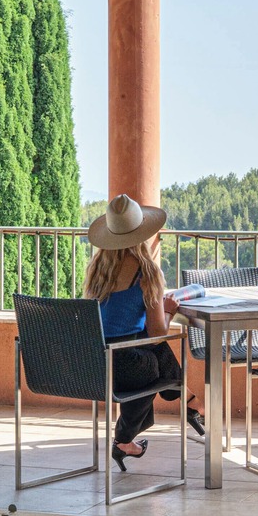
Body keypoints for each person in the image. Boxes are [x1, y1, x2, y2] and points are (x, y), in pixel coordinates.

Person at [85, 194, 207, 471]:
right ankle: (124, 439)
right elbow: (157, 331)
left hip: (94, 362)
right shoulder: (146, 271)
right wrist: (169, 309)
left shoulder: (97, 270)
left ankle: (189, 401)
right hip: (125, 365)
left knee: (155, 354)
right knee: (152, 360)